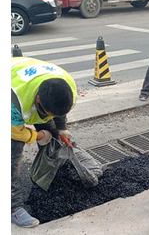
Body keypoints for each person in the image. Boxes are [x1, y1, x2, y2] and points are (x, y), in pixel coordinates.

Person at [11, 57, 77, 228]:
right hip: (11, 93)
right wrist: (38, 136)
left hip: (28, 83)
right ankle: (13, 207)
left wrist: (60, 129)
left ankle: (47, 178)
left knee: (52, 132)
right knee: (12, 153)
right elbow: (13, 131)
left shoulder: (67, 84)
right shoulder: (15, 101)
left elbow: (59, 110)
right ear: (39, 100)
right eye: (49, 112)